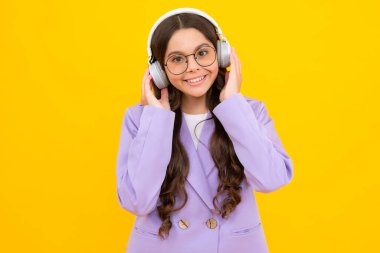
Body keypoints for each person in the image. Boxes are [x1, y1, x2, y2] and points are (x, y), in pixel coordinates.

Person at [116, 7, 294, 253]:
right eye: (177, 59)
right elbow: (138, 201)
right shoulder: (140, 119)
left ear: (221, 55)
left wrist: (232, 103)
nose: (193, 67)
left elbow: (271, 179)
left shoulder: (249, 111)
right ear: (158, 70)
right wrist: (157, 118)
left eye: (202, 53)